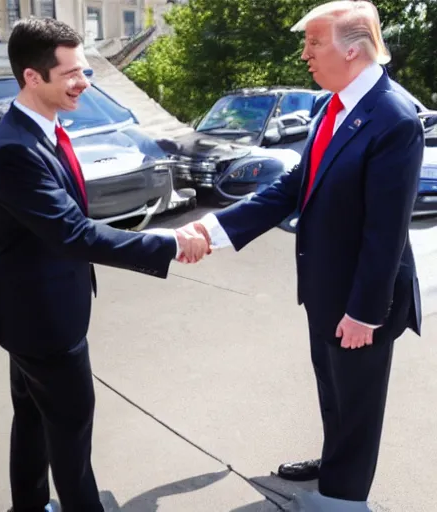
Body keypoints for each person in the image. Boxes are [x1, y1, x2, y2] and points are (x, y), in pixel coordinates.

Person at [181, 1, 424, 509]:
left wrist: (364, 312)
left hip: (364, 297)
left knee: (357, 404)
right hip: (324, 286)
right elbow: (295, 186)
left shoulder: (394, 118)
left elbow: (386, 232)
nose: (305, 54)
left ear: (352, 50)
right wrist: (212, 226)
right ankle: (335, 463)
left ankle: (343, 498)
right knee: (333, 392)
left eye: (315, 43)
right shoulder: (329, 106)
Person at [0, 17, 209, 512]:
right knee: (71, 431)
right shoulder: (14, 149)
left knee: (35, 421)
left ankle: (30, 506)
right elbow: (73, 233)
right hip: (43, 323)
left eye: (84, 70)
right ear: (32, 78)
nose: (84, 82)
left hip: (29, 313)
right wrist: (167, 242)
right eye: (71, 75)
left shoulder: (36, 127)